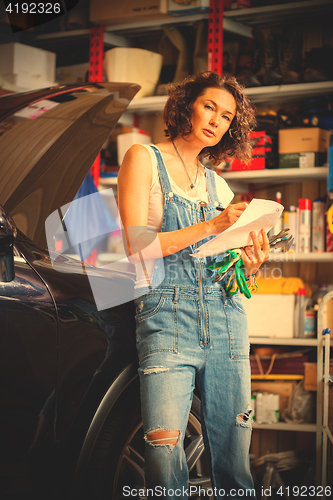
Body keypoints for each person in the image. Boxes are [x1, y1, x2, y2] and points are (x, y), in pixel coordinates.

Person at [118, 71, 270, 499]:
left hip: (225, 318)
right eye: (209, 107)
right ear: (186, 105)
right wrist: (214, 222)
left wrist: (251, 265)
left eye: (226, 117)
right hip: (167, 316)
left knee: (234, 454)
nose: (216, 121)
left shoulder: (216, 182)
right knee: (164, 455)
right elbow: (135, 245)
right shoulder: (142, 158)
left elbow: (227, 270)